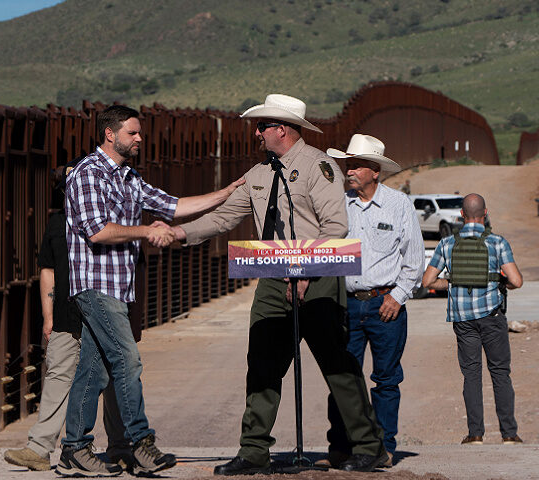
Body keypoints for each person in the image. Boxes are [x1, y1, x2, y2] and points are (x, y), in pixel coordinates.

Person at [170, 94, 387, 474]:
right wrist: (176, 233)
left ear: (281, 130)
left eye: (262, 126)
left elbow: (335, 227)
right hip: (272, 278)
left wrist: (303, 272)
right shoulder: (258, 175)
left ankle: (369, 446)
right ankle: (254, 451)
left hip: (318, 276)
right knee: (263, 364)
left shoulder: (320, 166)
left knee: (336, 363)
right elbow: (222, 219)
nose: (257, 133)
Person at [57, 105, 244, 477]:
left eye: (139, 132)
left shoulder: (129, 177)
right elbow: (98, 231)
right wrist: (147, 231)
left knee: (94, 371)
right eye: (133, 133)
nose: (140, 138)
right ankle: (141, 444)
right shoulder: (87, 174)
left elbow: (172, 206)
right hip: (96, 284)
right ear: (110, 134)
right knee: (128, 360)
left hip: (120, 287)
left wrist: (224, 194)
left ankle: (75, 449)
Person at [3, 159, 133, 473]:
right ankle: (39, 448)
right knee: (58, 376)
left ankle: (120, 447)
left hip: (105, 314)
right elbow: (47, 270)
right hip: (66, 315)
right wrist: (47, 317)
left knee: (114, 380)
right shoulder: (56, 224)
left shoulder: (113, 224)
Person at [325, 134, 425, 467]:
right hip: (348, 305)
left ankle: (383, 447)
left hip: (386, 305)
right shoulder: (339, 206)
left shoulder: (399, 205)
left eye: (356, 165)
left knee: (386, 379)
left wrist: (398, 296)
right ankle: (341, 446)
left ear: (375, 171)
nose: (349, 170)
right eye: (347, 165)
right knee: (342, 377)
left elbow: (413, 259)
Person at [422, 193, 523, 446]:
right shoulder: (497, 242)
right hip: (492, 316)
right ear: (485, 213)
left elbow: (428, 282)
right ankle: (509, 434)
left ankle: (475, 434)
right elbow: (517, 281)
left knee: (471, 375)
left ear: (462, 215)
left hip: (463, 320)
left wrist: (454, 282)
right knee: (500, 373)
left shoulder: (447, 244)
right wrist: (497, 281)